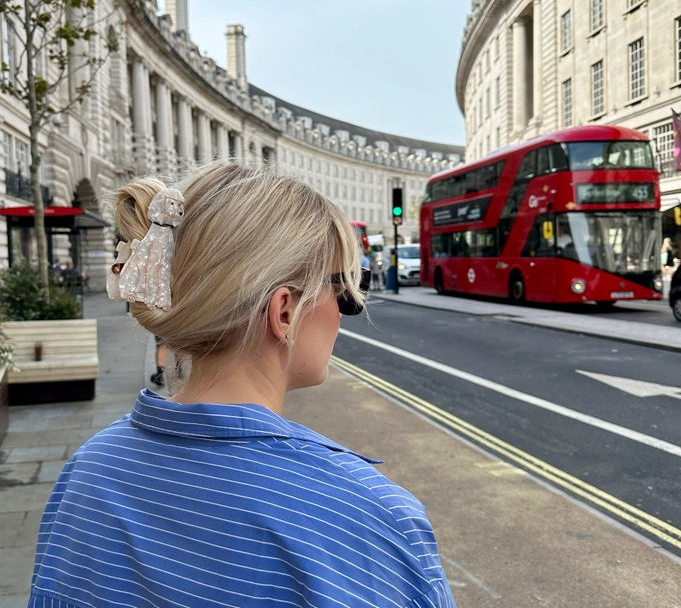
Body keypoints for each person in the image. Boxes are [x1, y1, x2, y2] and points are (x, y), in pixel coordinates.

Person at [28, 162, 456, 608]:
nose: (346, 310)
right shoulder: (375, 517)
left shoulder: (89, 470)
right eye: (342, 287)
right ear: (284, 312)